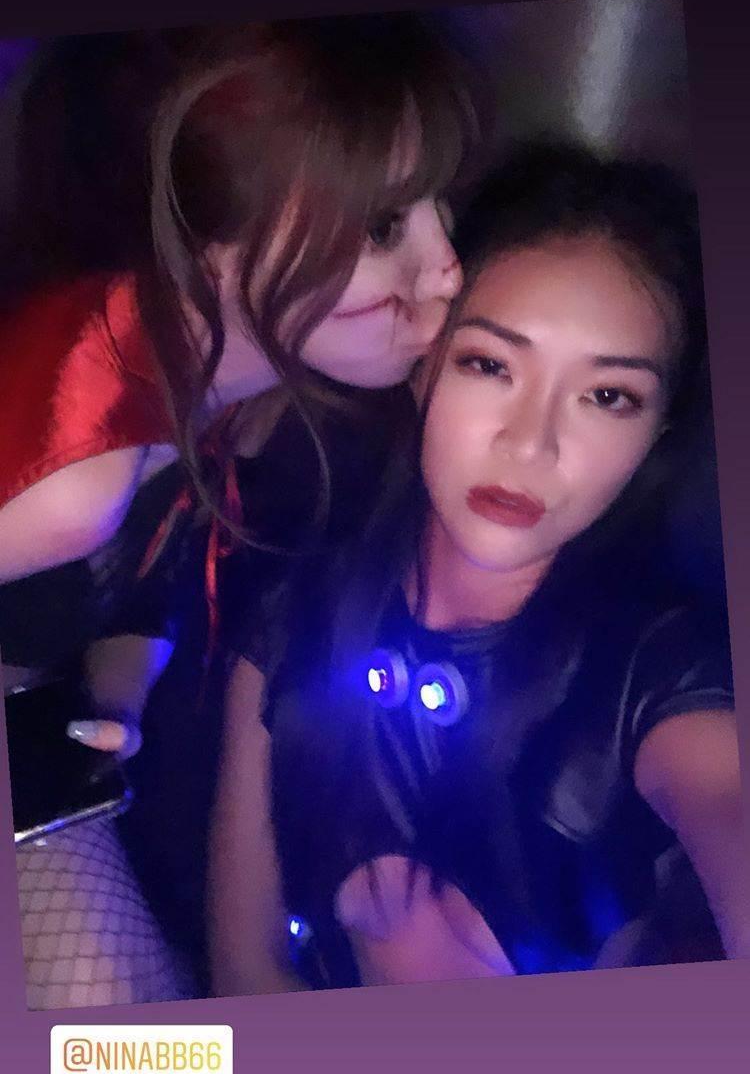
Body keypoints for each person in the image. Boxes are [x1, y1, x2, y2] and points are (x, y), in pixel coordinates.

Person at [1, 13, 480, 1007]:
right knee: (136, 1048)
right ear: (213, 245)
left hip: (37, 725)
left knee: (156, 1049)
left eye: (439, 203)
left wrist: (115, 696)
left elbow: (142, 587)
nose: (448, 269)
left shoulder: (226, 381)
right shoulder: (76, 479)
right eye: (383, 226)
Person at [212, 141, 744, 995]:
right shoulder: (293, 608)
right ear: (422, 367)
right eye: (490, 364)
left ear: (655, 435)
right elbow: (245, 968)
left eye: (608, 396)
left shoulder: (660, 675)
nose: (531, 443)